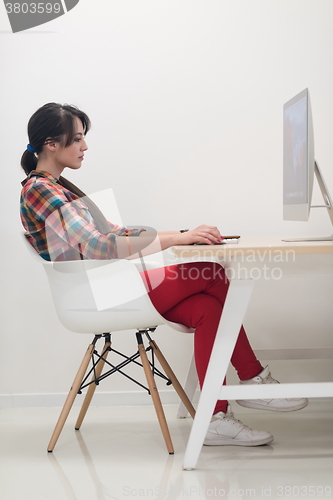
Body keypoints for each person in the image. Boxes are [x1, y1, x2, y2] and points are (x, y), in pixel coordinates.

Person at [20, 103, 308, 447]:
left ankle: (216, 418)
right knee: (212, 272)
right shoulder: (40, 189)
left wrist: (182, 233)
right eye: (78, 139)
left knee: (207, 308)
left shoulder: (59, 187)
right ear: (52, 143)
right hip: (101, 295)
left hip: (113, 285)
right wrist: (181, 238)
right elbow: (100, 245)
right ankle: (252, 378)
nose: (85, 146)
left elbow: (118, 232)